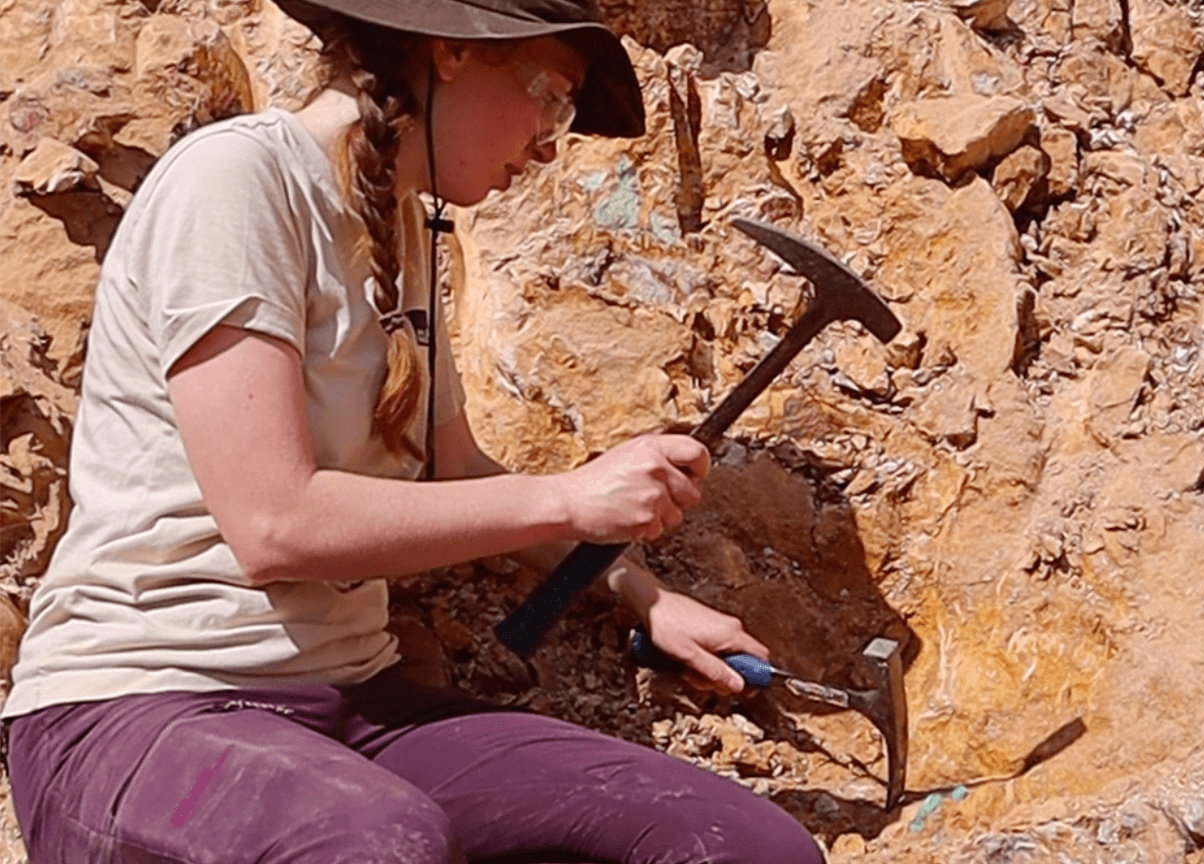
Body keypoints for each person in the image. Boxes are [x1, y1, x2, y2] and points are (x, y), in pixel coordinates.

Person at [1, 1, 824, 862]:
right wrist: (569, 498)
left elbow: (456, 470)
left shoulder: (404, 229)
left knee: (746, 844)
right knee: (378, 843)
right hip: (138, 712)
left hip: (352, 705)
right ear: (453, 51)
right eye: (552, 95)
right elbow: (274, 523)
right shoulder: (237, 181)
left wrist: (645, 596)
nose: (551, 141)